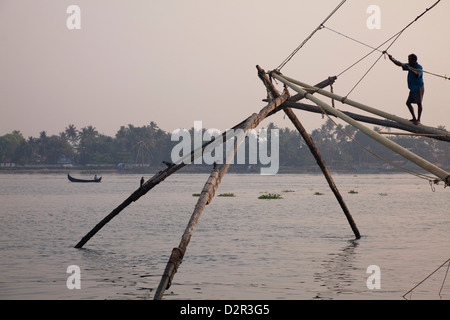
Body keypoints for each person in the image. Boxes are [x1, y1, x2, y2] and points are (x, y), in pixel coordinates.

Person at [387, 53, 424, 125]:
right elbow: (399, 64)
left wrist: (410, 69)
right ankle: (414, 118)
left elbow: (417, 74)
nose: (408, 61)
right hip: (412, 88)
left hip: (418, 87)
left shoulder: (419, 67)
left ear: (414, 60)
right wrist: (391, 58)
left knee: (419, 103)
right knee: (408, 103)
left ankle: (418, 120)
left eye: (409, 60)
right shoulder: (409, 65)